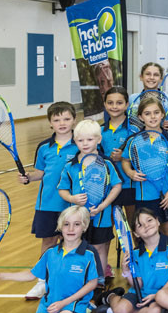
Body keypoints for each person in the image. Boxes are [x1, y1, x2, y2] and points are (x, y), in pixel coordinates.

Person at [0, 205, 99, 313]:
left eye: (76, 224)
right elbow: (31, 275)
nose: (70, 229)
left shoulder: (89, 254)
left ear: (84, 227)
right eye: (66, 224)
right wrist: (2, 276)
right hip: (51, 301)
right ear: (60, 227)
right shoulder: (51, 253)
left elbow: (92, 284)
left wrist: (63, 303)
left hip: (74, 302)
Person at [20, 101, 78, 300]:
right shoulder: (44, 147)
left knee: (75, 242)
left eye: (66, 119)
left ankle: (71, 282)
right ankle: (42, 282)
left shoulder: (81, 144)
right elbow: (40, 173)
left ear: (74, 120)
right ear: (50, 123)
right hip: (48, 204)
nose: (62, 123)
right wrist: (28, 177)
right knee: (48, 243)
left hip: (73, 205)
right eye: (56, 119)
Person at [58, 119, 122, 286]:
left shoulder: (107, 164)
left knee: (100, 248)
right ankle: (78, 279)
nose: (85, 144)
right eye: (80, 140)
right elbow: (62, 189)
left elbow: (117, 186)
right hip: (77, 218)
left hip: (102, 216)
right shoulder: (70, 166)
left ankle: (99, 280)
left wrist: (103, 205)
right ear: (75, 141)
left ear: (98, 140)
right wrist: (72, 199)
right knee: (77, 248)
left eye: (89, 139)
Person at [93, 207, 168, 313]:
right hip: (140, 292)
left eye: (149, 220)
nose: (146, 225)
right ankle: (111, 296)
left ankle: (110, 311)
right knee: (120, 310)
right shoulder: (135, 254)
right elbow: (137, 283)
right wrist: (126, 271)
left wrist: (159, 294)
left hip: (163, 293)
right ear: (136, 234)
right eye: (140, 225)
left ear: (158, 221)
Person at [121, 96, 168, 236]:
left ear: (162, 114)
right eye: (147, 113)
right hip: (144, 196)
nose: (152, 117)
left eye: (156, 112)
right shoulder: (133, 141)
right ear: (141, 117)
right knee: (147, 234)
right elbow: (125, 161)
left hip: (167, 194)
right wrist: (130, 173)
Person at [101, 87, 134, 265]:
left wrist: (124, 157)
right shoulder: (99, 131)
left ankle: (138, 264)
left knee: (135, 227)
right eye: (110, 103)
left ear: (127, 104)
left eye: (119, 102)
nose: (115, 106)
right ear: (105, 104)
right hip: (107, 188)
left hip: (130, 185)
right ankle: (103, 266)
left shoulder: (135, 129)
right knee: (106, 229)